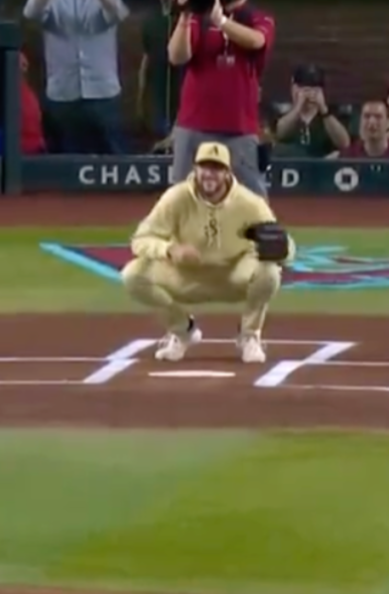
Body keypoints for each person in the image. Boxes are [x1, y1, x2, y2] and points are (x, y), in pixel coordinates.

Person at [120, 143, 294, 364]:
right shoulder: (176, 198)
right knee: (134, 276)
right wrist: (169, 250)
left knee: (269, 272)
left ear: (227, 172)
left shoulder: (249, 203)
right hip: (185, 275)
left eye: (217, 168)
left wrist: (283, 251)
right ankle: (182, 329)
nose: (209, 174)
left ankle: (249, 335)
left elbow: (284, 242)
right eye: (204, 167)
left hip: (233, 276)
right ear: (195, 169)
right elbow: (141, 240)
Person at [166, 0, 275, 199]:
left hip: (239, 127)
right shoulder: (200, 18)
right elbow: (176, 57)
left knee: (252, 197)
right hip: (194, 123)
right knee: (182, 197)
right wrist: (185, 16)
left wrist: (222, 22)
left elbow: (257, 40)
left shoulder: (256, 17)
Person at [23, 0, 130, 154]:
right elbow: (31, 12)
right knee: (66, 161)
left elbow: (117, 12)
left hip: (102, 92)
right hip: (63, 92)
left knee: (115, 157)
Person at [273, 64, 350, 158]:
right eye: (305, 88)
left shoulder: (330, 116)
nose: (310, 93)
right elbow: (279, 133)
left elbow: (344, 143)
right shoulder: (283, 112)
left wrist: (323, 109)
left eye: (315, 89)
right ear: (294, 88)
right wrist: (298, 107)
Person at [137, 0, 184, 144]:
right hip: (157, 90)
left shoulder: (186, 22)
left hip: (182, 90)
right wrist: (140, 93)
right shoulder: (151, 22)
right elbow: (146, 58)